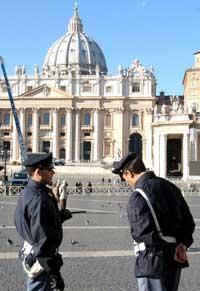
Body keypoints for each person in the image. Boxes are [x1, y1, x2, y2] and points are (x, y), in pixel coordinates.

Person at [112, 152, 195, 291]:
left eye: (123, 177)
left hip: (152, 261)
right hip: (175, 258)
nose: (125, 181)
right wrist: (182, 244)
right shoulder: (171, 187)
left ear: (130, 173)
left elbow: (142, 233)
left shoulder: (138, 195)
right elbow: (188, 222)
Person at [14, 152, 72, 291]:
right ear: (38, 172)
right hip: (41, 261)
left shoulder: (29, 192)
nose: (53, 172)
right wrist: (54, 274)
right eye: (49, 169)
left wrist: (58, 217)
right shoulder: (39, 198)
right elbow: (42, 239)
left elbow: (31, 222)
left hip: (31, 252)